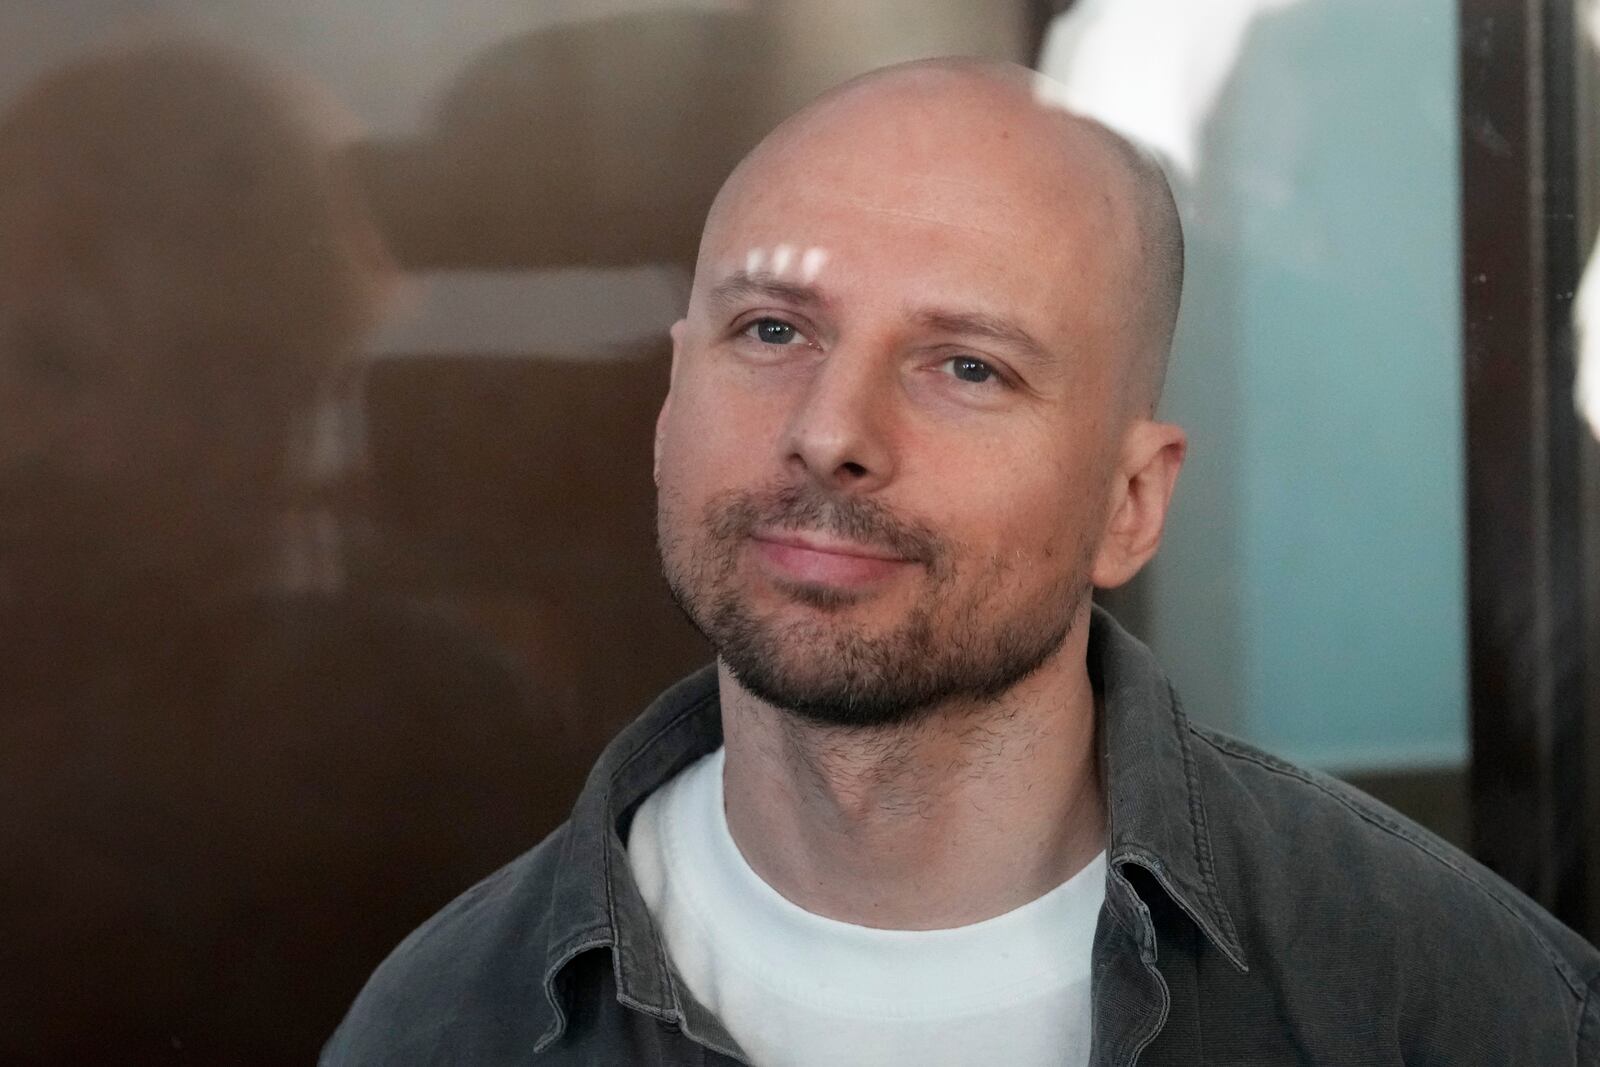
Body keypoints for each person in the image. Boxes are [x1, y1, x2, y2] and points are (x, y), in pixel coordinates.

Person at [322, 57, 1600, 1065]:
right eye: (771, 329)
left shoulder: (1446, 1001)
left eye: (966, 366)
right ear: (670, 402)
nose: (830, 434)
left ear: (1130, 500)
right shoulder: (445, 1024)